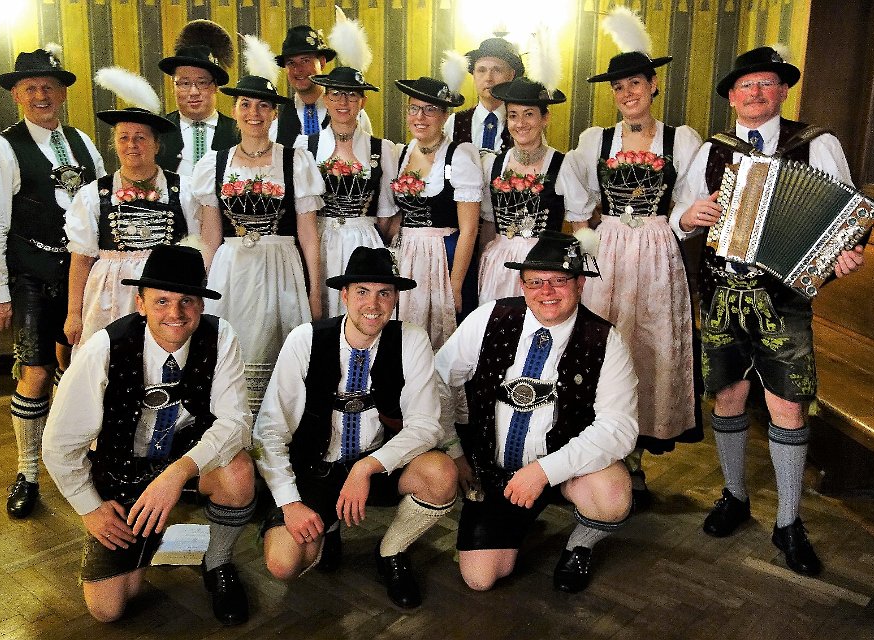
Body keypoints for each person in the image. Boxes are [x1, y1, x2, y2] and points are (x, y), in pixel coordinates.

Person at [670, 46, 864, 576]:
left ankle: (788, 522)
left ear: (782, 92)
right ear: (732, 97)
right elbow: (679, 217)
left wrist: (846, 252)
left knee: (788, 406)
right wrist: (689, 215)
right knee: (728, 397)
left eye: (766, 83)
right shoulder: (712, 149)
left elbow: (847, 216)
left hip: (784, 299)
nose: (756, 93)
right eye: (746, 85)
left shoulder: (816, 143)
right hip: (722, 293)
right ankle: (734, 496)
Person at [42, 245, 256, 626]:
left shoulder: (221, 337)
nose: (175, 313)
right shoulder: (104, 348)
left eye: (186, 301)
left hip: (187, 461)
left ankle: (217, 561)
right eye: (162, 301)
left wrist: (177, 473)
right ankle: (146, 538)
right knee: (108, 608)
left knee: (238, 472)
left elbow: (236, 422)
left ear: (201, 305)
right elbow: (58, 444)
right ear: (140, 304)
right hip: (123, 470)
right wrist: (90, 509)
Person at [435, 231, 638, 593]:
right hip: (495, 473)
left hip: (565, 471)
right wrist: (454, 448)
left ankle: (580, 545)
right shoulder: (490, 318)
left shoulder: (605, 340)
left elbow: (619, 427)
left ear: (579, 283)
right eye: (536, 282)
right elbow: (438, 379)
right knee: (480, 579)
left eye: (559, 280)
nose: (547, 291)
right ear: (522, 284)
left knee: (612, 493)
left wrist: (545, 471)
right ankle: (518, 523)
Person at [256, 246, 458, 609]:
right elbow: (270, 430)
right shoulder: (306, 339)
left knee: (440, 473)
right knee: (283, 563)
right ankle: (328, 524)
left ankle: (391, 551)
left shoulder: (411, 339)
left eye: (384, 293)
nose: (374, 304)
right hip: (315, 468)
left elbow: (426, 425)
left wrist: (367, 467)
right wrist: (290, 502)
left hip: (378, 465)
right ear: (344, 295)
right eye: (362, 291)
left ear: (395, 298)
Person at [571, 11, 704, 506]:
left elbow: (687, 208)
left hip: (656, 251)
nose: (627, 93)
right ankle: (598, 455)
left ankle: (636, 460)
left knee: (646, 347)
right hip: (607, 251)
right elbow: (580, 208)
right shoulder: (595, 141)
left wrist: (677, 224)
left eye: (635, 83)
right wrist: (591, 248)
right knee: (602, 345)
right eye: (618, 87)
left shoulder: (680, 139)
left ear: (652, 86)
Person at [0, 46, 105, 519]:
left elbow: (103, 201)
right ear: (16, 95)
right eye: (30, 88)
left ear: (62, 93)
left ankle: (75, 460)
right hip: (31, 274)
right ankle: (27, 472)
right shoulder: (2, 148)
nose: (40, 95)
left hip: (83, 273)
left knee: (81, 367)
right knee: (36, 371)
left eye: (48, 87)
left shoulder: (82, 141)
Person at [194, 67, 325, 417]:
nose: (254, 113)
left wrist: (315, 292)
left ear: (274, 113)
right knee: (232, 347)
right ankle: (234, 426)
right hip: (231, 270)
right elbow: (210, 236)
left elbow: (308, 236)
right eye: (246, 104)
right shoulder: (215, 163)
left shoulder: (295, 161)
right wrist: (202, 287)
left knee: (277, 349)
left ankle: (274, 429)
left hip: (281, 267)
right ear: (234, 110)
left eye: (263, 106)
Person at [64, 75, 196, 347]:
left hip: (166, 295)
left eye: (140, 138)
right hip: (109, 296)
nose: (131, 145)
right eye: (123, 138)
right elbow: (82, 260)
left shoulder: (184, 189)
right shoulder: (94, 194)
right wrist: (73, 313)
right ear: (114, 144)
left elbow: (198, 253)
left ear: (156, 145)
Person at [293, 30, 399, 317]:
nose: (343, 102)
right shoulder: (305, 146)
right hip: (320, 241)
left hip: (364, 242)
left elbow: (386, 212)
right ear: (326, 100)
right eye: (336, 94)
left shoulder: (382, 148)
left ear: (362, 102)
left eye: (352, 95)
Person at [478, 77, 593, 304]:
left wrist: (581, 280)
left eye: (529, 114)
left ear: (545, 118)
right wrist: (481, 265)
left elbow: (580, 226)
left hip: (544, 266)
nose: (520, 123)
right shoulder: (492, 164)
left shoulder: (563, 164)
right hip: (498, 267)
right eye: (513, 115)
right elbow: (490, 224)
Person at [389, 75, 483, 350]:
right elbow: (397, 215)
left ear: (444, 115)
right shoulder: (402, 153)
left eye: (430, 109)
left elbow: (469, 229)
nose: (420, 117)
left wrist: (455, 285)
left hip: (444, 257)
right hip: (406, 254)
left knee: (442, 333)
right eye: (414, 108)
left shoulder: (459, 156)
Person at [157, 20, 240, 177]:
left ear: (215, 86)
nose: (194, 92)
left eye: (202, 83)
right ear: (173, 85)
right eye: (185, 83)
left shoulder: (238, 132)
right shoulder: (158, 132)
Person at [271, 25, 373, 147]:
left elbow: (368, 153)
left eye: (305, 61)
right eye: (291, 63)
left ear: (322, 63)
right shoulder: (275, 117)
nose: (297, 70)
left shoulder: (352, 112)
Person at [444, 37, 524, 155]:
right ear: (474, 75)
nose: (488, 78)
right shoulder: (455, 122)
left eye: (497, 70)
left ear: (511, 75)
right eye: (481, 70)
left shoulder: (522, 123)